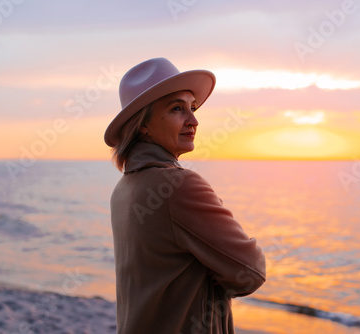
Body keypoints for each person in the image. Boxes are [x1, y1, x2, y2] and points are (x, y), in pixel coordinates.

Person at [104, 57, 266, 334]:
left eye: (192, 107)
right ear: (143, 124)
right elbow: (250, 273)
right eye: (177, 109)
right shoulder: (178, 185)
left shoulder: (124, 188)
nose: (194, 120)